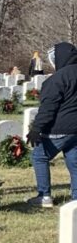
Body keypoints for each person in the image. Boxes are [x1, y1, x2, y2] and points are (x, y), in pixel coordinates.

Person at [27, 44, 77, 207]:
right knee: (74, 160)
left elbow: (48, 108)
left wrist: (36, 129)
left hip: (59, 128)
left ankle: (44, 195)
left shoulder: (57, 79)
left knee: (39, 156)